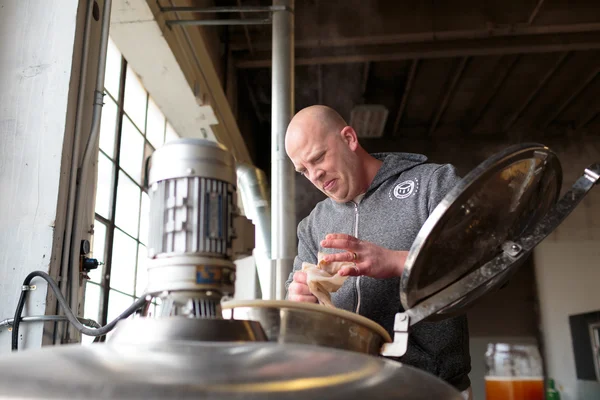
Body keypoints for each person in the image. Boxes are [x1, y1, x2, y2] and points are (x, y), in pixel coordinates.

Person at [284, 105, 473, 399]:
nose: (315, 176)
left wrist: (399, 262)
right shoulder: (313, 225)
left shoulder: (431, 185)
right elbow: (297, 322)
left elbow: (488, 266)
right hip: (345, 389)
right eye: (303, 170)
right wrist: (298, 301)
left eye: (318, 158)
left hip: (431, 389)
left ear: (349, 139)